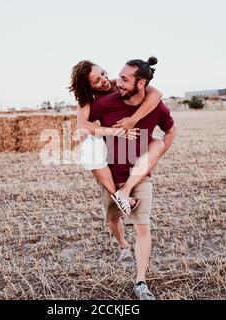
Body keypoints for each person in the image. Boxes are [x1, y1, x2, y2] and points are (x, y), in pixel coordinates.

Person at [87, 58, 177, 300]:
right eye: (119, 77)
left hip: (139, 177)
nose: (118, 83)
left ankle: (140, 282)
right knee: (113, 219)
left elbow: (170, 130)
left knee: (143, 228)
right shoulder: (106, 103)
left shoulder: (157, 107)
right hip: (109, 175)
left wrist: (157, 154)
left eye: (125, 79)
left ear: (141, 83)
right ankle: (123, 246)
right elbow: (83, 126)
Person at [69, 57, 166, 217]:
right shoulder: (87, 99)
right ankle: (118, 195)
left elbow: (156, 94)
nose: (104, 80)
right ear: (89, 86)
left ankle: (125, 191)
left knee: (156, 142)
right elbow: (82, 126)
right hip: (108, 139)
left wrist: (132, 120)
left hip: (132, 138)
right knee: (91, 147)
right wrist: (116, 131)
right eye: (97, 81)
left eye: (103, 73)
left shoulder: (118, 83)